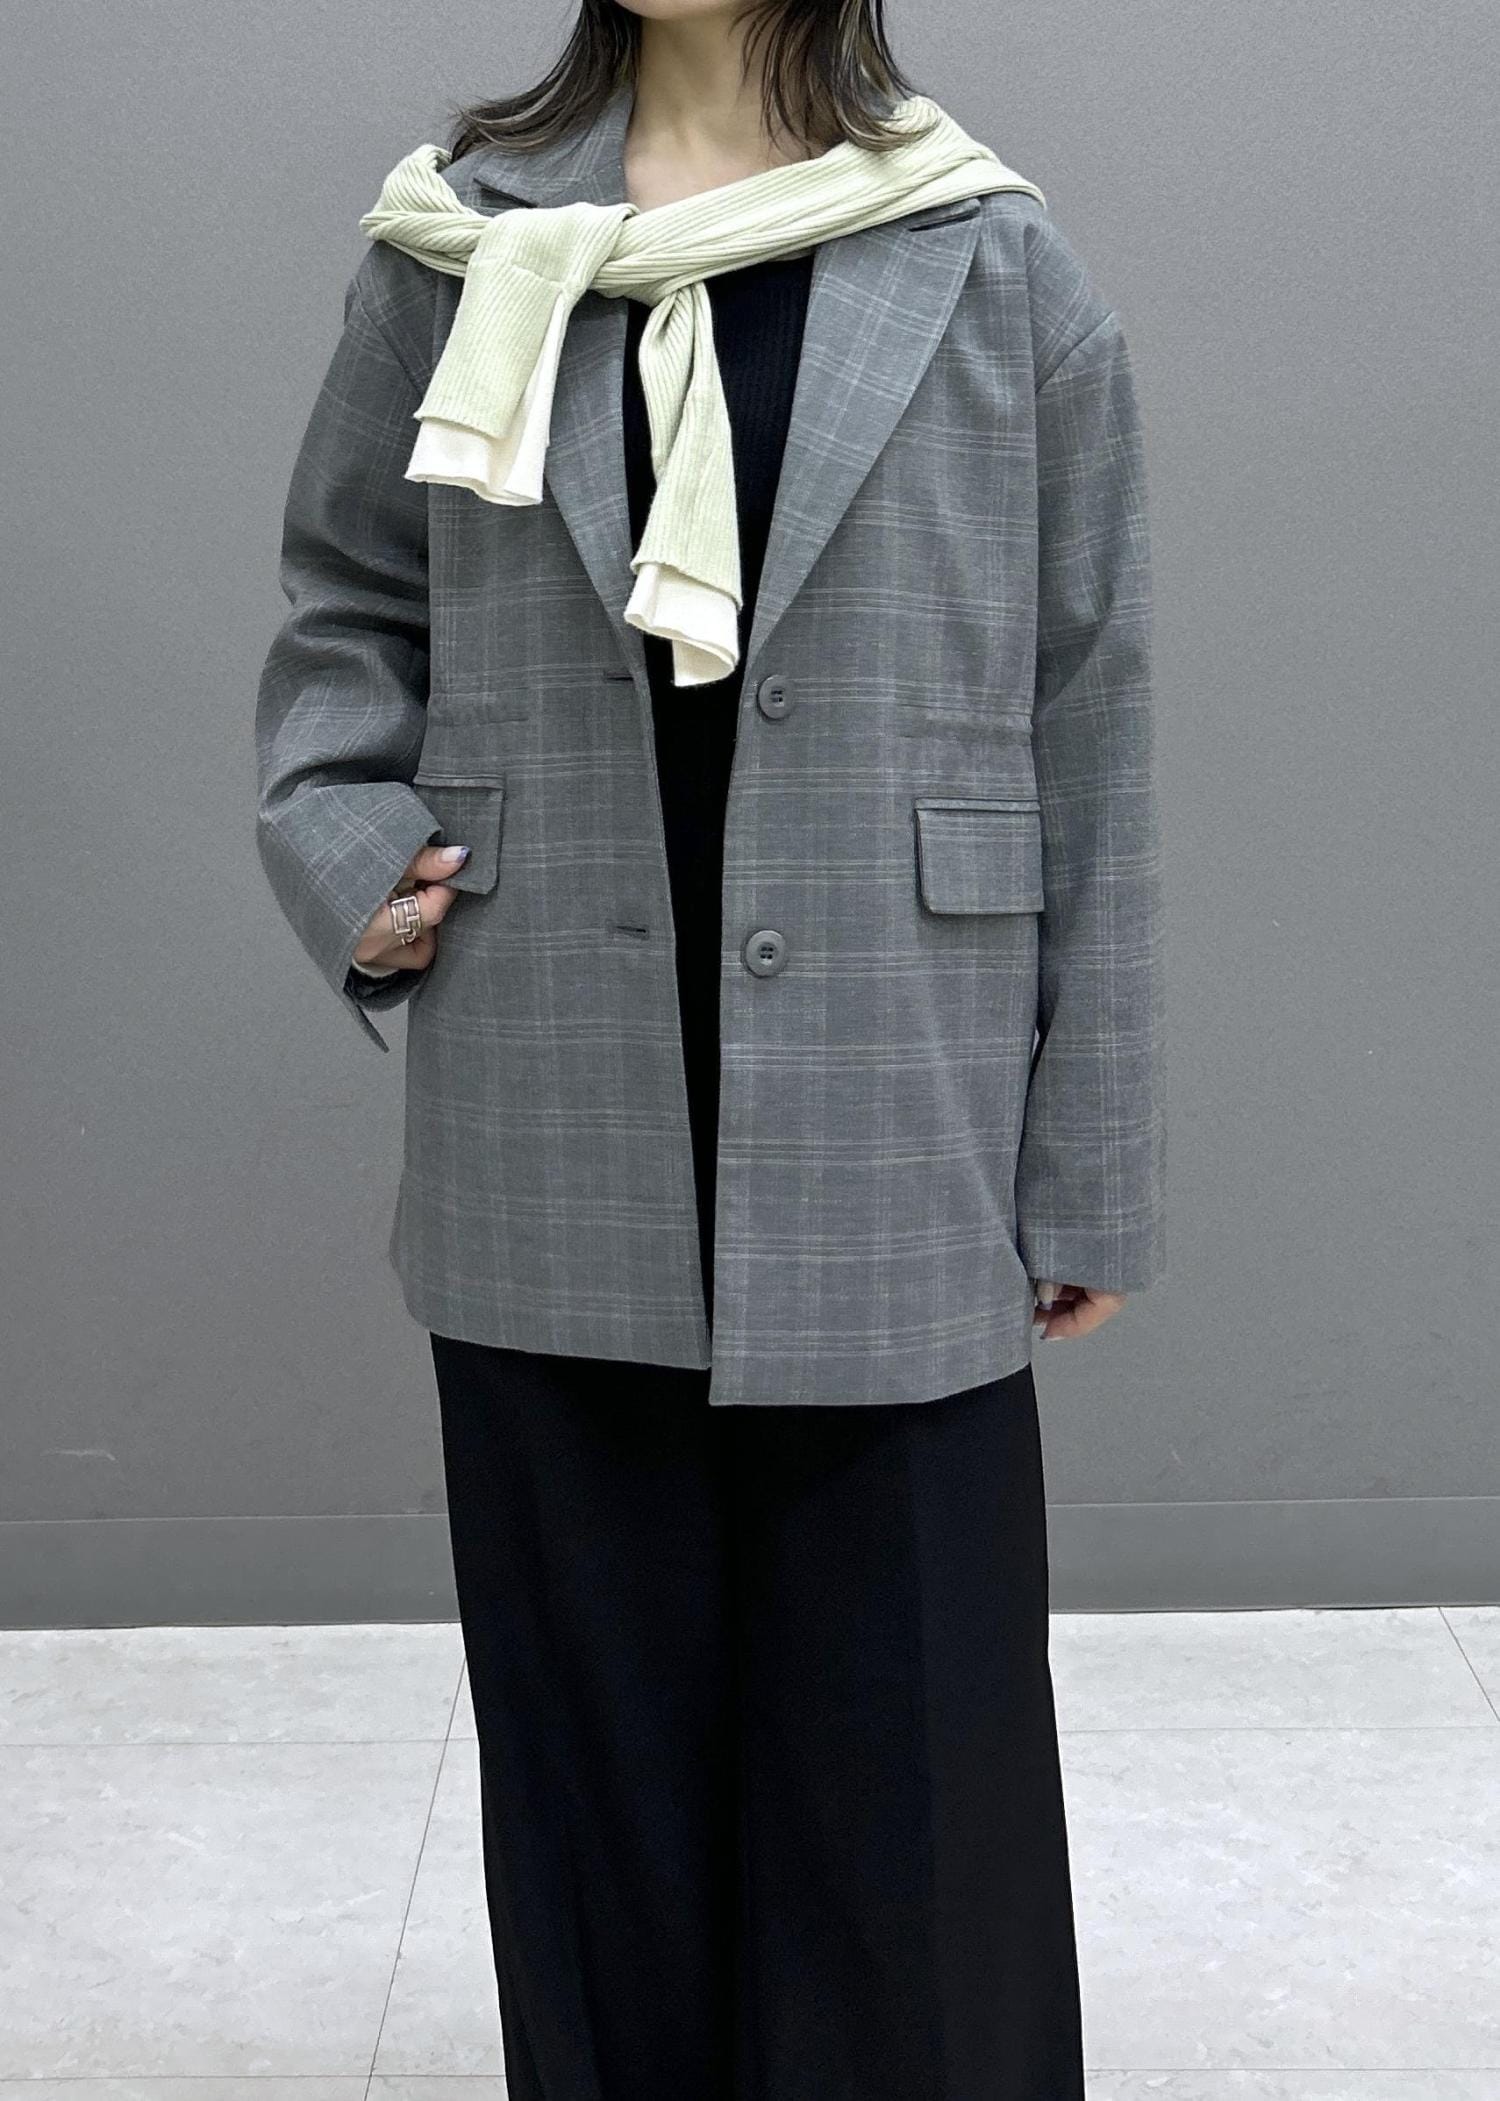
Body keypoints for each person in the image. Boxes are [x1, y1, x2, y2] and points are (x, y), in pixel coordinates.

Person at [254, 1, 1166, 2093]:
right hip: (548, 1085)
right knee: (600, 1776)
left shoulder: (990, 256)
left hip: (898, 1107)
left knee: (908, 1777)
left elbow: (1090, 705)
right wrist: (352, 855)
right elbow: (345, 602)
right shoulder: (457, 244)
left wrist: (1091, 1158)